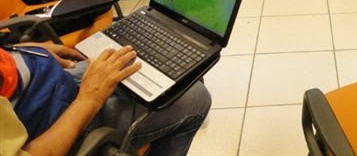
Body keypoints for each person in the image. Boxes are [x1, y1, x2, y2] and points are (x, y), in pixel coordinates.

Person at [0, 42, 210, 155]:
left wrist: (24, 49)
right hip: (59, 125)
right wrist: (90, 98)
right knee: (195, 99)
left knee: (154, 54)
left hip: (50, 81)